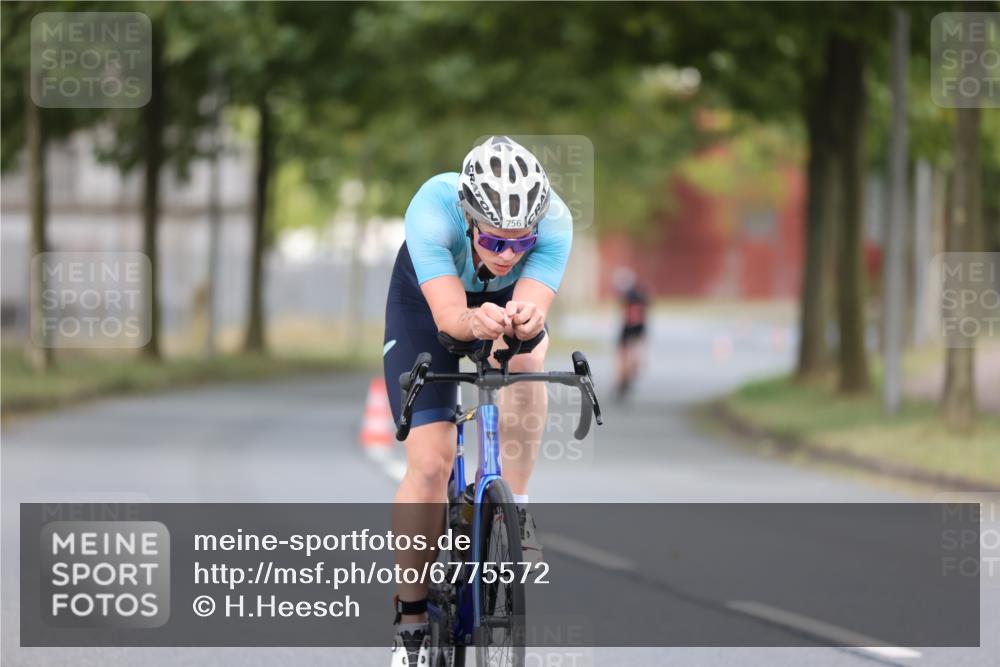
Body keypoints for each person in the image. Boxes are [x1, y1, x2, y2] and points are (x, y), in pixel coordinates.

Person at [382, 136, 573, 666]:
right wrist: (472, 322)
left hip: (499, 304)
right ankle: (412, 625)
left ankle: (520, 509)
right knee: (430, 462)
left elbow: (530, 312)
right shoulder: (431, 209)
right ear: (468, 216)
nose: (508, 253)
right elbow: (450, 319)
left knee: (530, 360)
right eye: (494, 240)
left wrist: (523, 322)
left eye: (521, 242)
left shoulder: (555, 222)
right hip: (428, 303)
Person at [613, 267, 648, 401]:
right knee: (628, 354)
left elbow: (633, 316)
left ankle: (626, 376)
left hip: (632, 328)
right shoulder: (640, 295)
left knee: (627, 354)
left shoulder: (631, 296)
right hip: (635, 328)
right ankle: (626, 377)